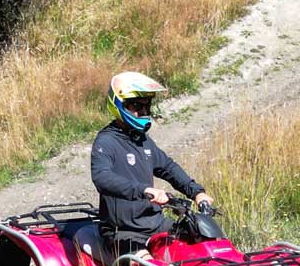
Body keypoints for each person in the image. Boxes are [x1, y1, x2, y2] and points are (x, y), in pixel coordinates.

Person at [90, 70, 212, 250]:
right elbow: (101, 178)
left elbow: (168, 167)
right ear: (119, 104)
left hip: (155, 224)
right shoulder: (106, 141)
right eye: (137, 106)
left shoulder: (142, 140)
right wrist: (144, 190)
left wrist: (196, 192)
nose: (143, 111)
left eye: (147, 106)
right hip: (123, 231)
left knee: (202, 244)